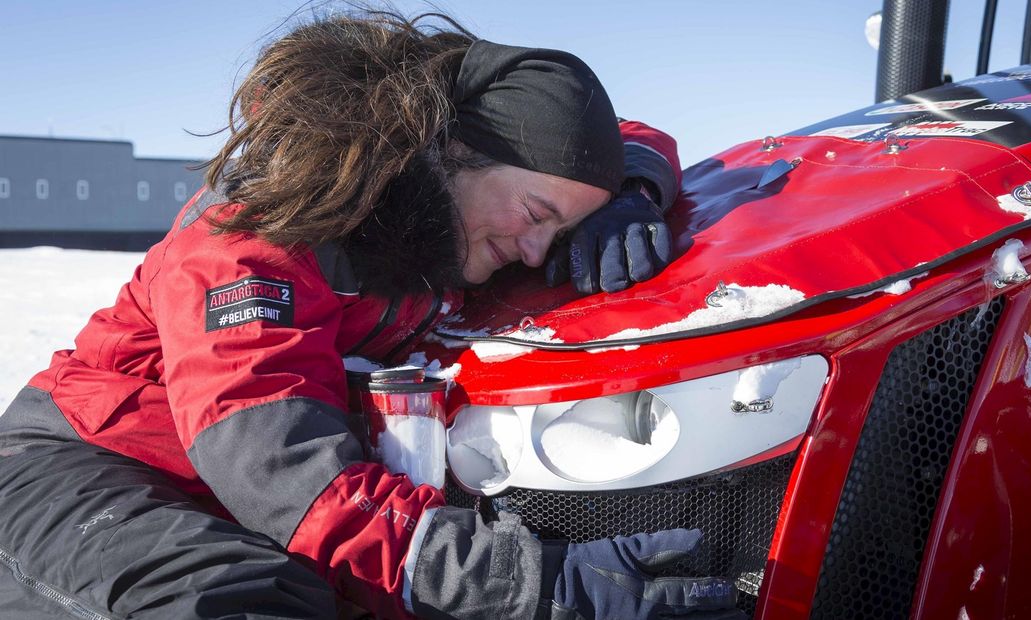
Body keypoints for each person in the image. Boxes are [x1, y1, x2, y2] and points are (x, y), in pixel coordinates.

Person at [0, 10, 737, 620]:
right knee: (239, 603)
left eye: (563, 227)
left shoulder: (443, 228)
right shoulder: (254, 241)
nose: (539, 246)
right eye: (540, 214)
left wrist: (632, 192)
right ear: (447, 151)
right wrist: (524, 583)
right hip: (87, 469)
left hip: (247, 495)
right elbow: (280, 469)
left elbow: (627, 133)